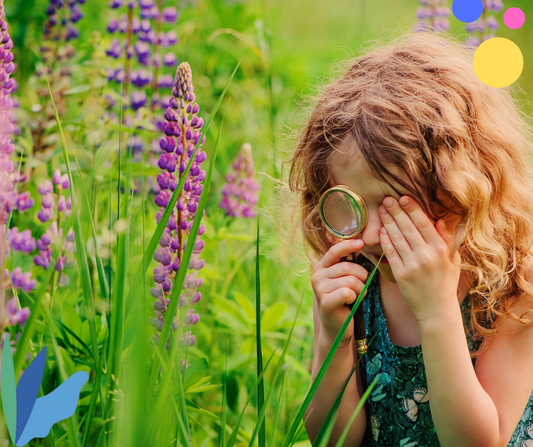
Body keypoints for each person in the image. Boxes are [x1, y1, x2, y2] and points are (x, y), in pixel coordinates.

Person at [287, 32, 533, 446]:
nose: (367, 234)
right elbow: (333, 440)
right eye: (350, 205)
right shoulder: (356, 274)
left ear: (460, 193)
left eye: (394, 210)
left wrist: (436, 312)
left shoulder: (513, 283)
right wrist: (335, 339)